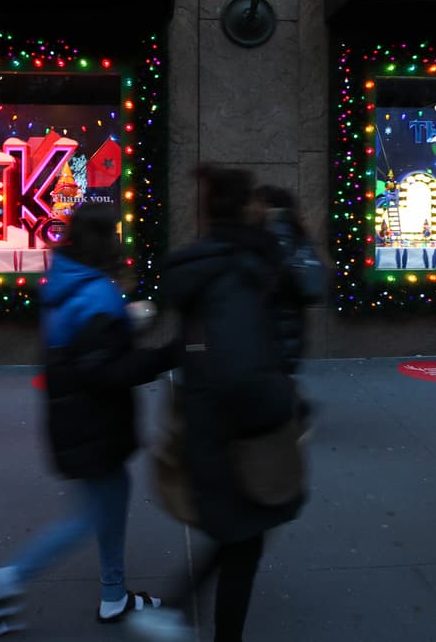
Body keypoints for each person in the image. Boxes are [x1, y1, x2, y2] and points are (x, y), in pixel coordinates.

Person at [0, 203, 174, 636]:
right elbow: (106, 370)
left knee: (111, 500)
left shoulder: (66, 280)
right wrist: (165, 355)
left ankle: (114, 594)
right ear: (102, 241)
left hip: (77, 418)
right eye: (114, 234)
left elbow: (86, 352)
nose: (119, 242)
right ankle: (2, 583)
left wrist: (124, 328)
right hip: (94, 422)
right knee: (93, 514)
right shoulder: (96, 292)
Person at [131, 165, 307, 642]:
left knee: (238, 538)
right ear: (247, 207)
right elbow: (242, 369)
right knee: (243, 541)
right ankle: (178, 612)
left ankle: (175, 610)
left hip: (210, 425)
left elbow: (200, 347)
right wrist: (284, 405)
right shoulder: (239, 270)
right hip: (239, 433)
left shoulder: (210, 266)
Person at [252, 184, 327, 375]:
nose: (252, 209)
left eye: (258, 203)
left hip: (276, 334)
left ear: (270, 207)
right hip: (288, 331)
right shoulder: (293, 232)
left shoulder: (276, 234)